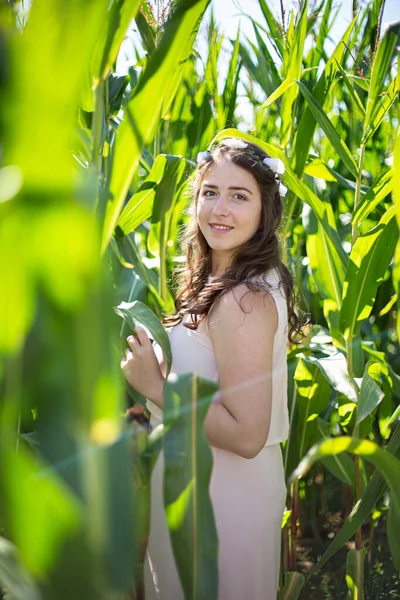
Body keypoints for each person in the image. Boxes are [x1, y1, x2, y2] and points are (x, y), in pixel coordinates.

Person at [121, 137, 303, 600]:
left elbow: (247, 434)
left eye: (239, 196)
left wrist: (158, 389)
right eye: (210, 192)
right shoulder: (228, 285)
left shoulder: (243, 299)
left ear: (266, 210)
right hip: (197, 490)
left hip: (221, 502)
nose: (219, 208)